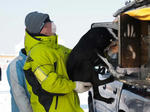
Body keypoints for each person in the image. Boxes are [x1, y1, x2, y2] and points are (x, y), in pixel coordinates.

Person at [23, 11, 92, 112]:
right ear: (43, 29)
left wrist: (108, 50)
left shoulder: (58, 49)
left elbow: (80, 56)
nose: (52, 25)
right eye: (48, 23)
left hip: (70, 107)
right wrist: (75, 86)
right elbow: (50, 84)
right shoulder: (38, 53)